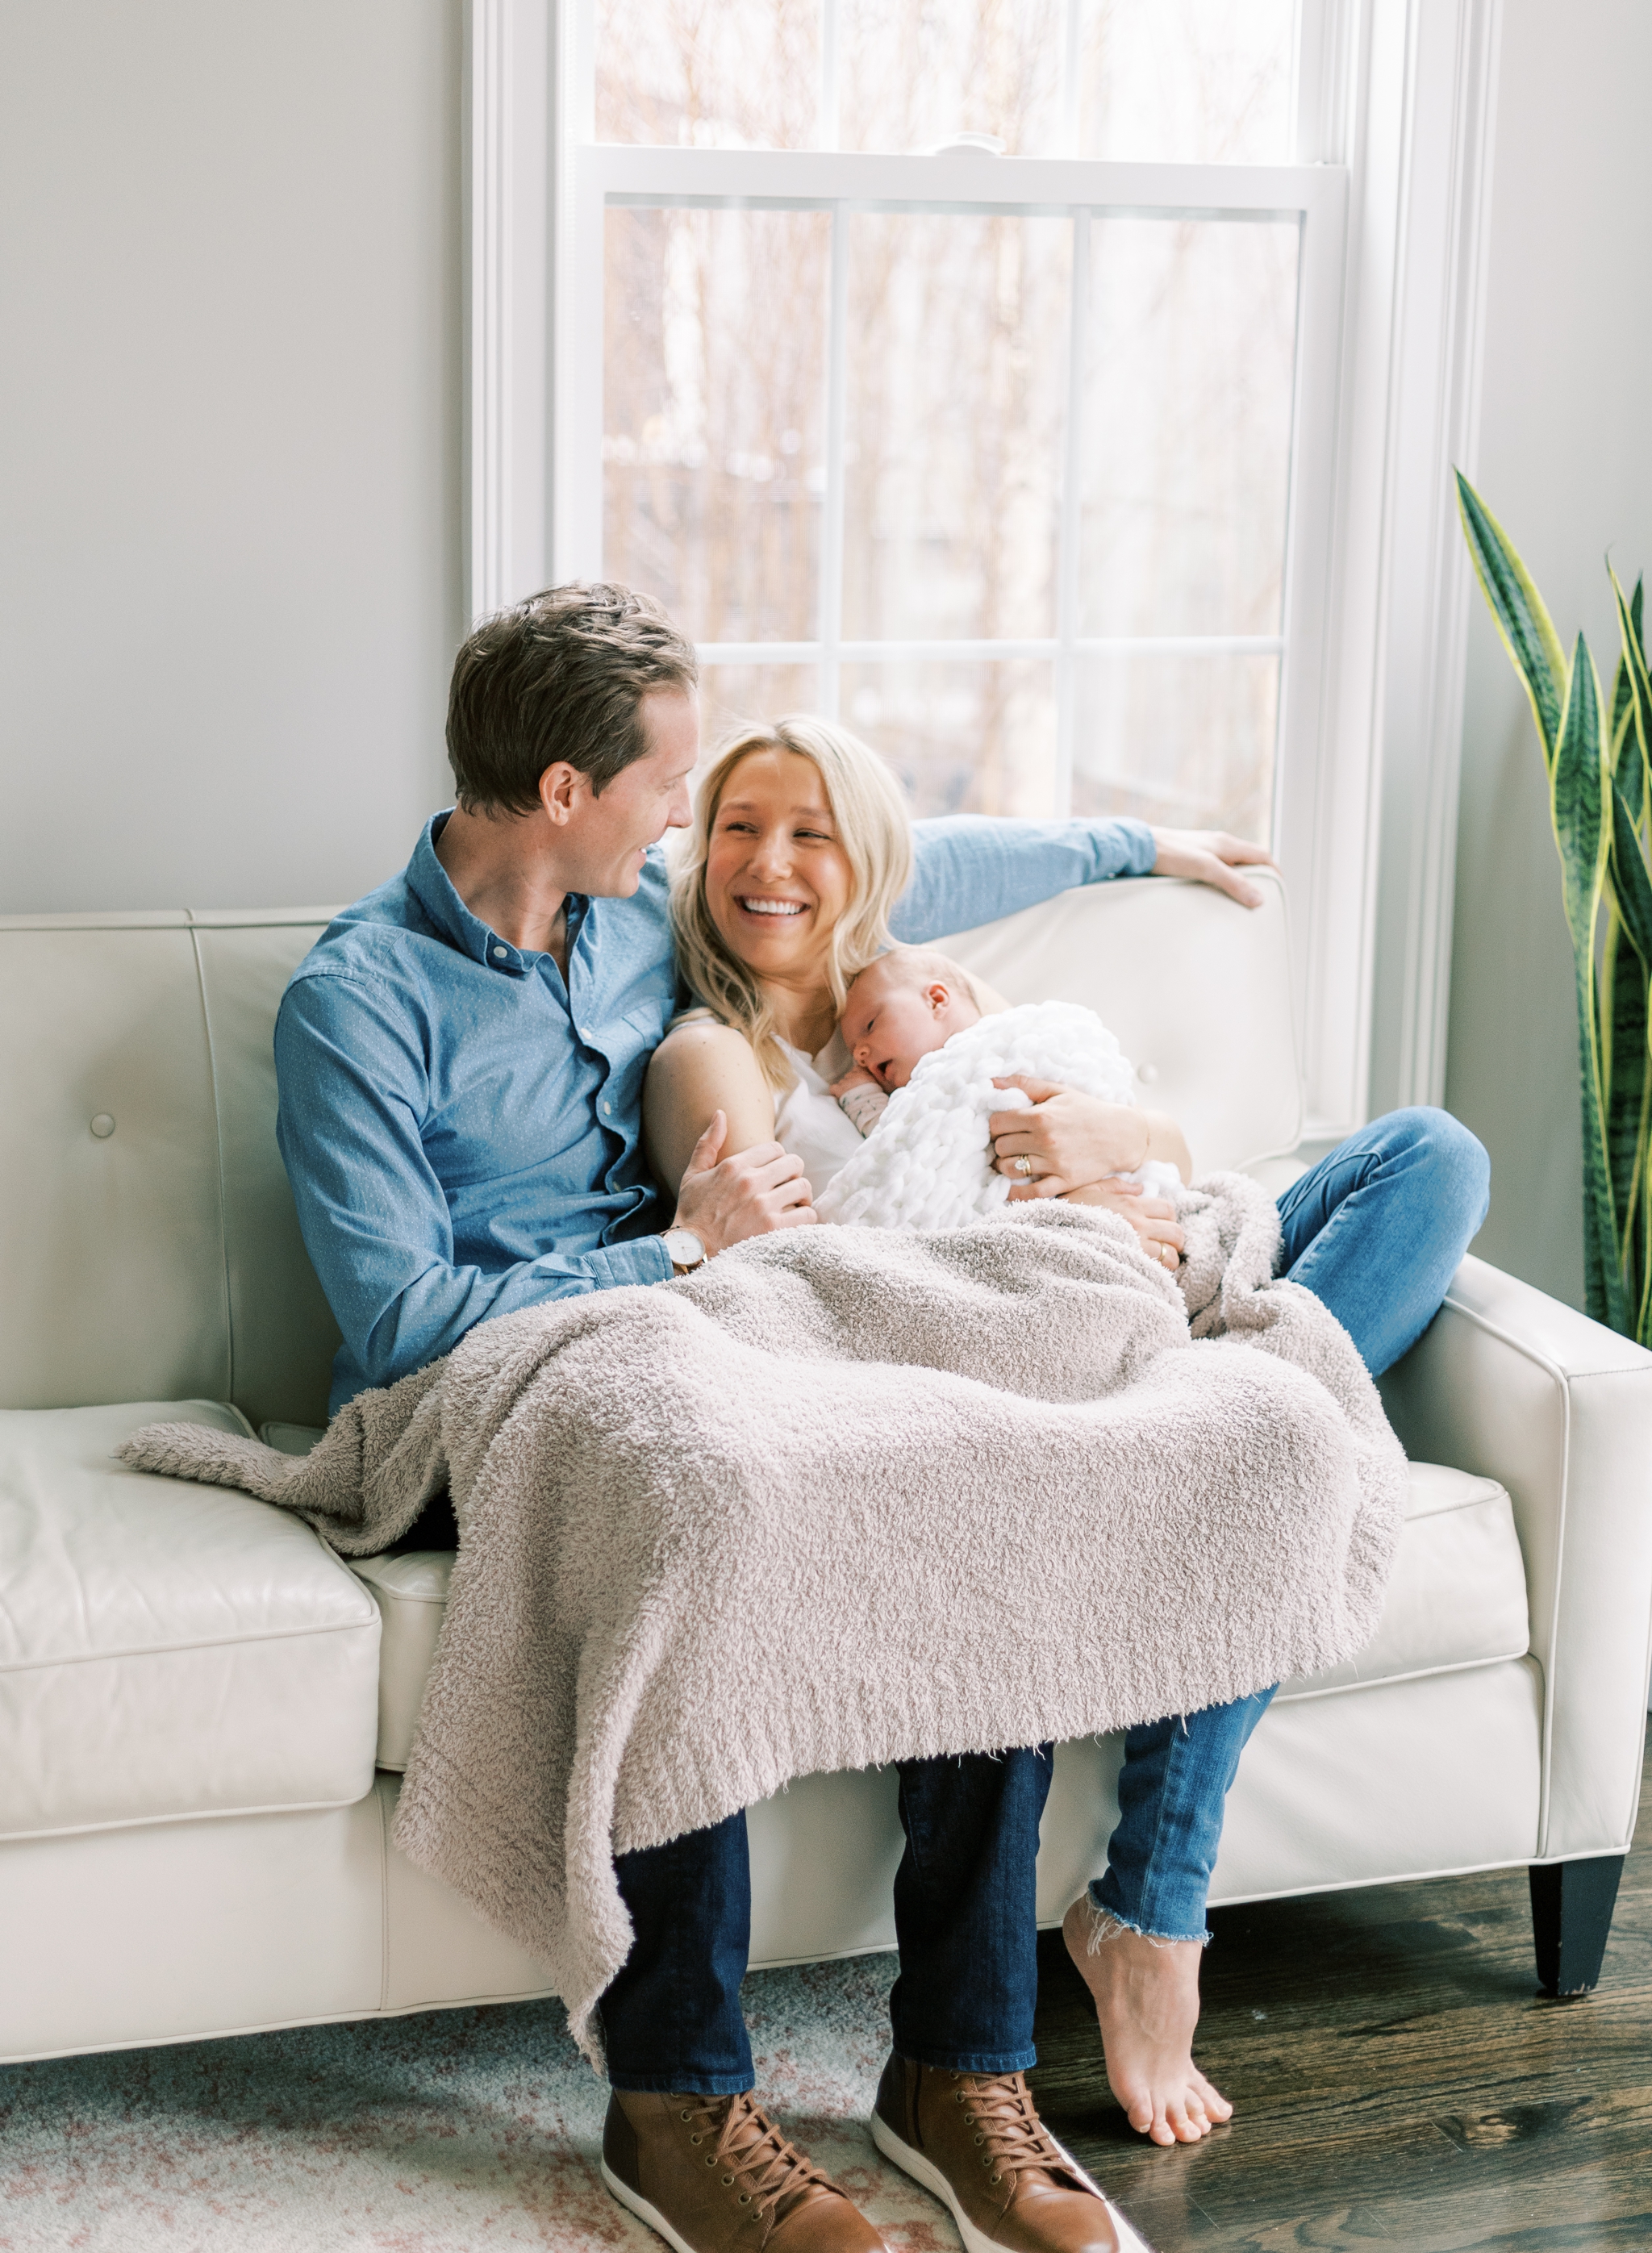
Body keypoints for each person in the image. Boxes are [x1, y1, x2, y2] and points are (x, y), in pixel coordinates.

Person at [273, 584, 1273, 2253]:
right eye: (673, 788)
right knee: (700, 1480)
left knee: (970, 1444)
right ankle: (673, 2091)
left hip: (714, 1326)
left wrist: (1142, 843)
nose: (697, 825)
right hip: (512, 1377)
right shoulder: (358, 1003)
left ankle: (957, 2064)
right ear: (569, 794)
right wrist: (673, 1243)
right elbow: (394, 1324)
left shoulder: (630, 908)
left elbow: (915, 854)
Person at [644, 711, 1491, 2169]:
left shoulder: (927, 987)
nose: (767, 862)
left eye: (807, 831)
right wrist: (1048, 1219)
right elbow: (797, 1257)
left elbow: (1122, 1121)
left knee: (1431, 1155)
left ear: (865, 863)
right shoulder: (710, 1050)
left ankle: (1234, 1424)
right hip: (1012, 1338)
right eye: (734, 826)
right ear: (693, 853)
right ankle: (1153, 1895)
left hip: (1152, 1266)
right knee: (1270, 1440)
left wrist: (1121, 1143)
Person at [824, 947, 1183, 1219]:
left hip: (1131, 1192)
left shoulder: (1022, 1042)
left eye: (870, 1026)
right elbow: (899, 1156)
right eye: (856, 1050)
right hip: (1049, 1221)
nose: (861, 1055)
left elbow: (1101, 1096)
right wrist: (862, 1097)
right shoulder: (916, 1103)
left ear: (936, 1000)